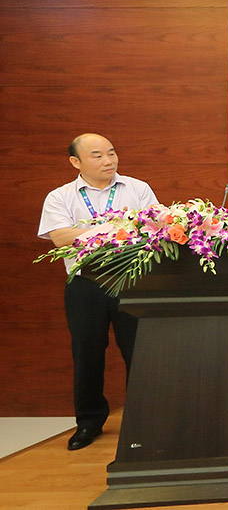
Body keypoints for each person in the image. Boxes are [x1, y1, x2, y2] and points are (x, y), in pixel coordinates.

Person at [38, 134, 158, 450]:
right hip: (85, 285)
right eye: (98, 155)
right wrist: (112, 229)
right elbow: (60, 237)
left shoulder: (137, 189)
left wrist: (88, 232)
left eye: (112, 153)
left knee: (140, 353)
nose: (108, 161)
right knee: (87, 353)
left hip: (132, 281)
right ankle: (88, 423)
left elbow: (154, 228)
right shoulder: (60, 196)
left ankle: (144, 422)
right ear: (75, 162)